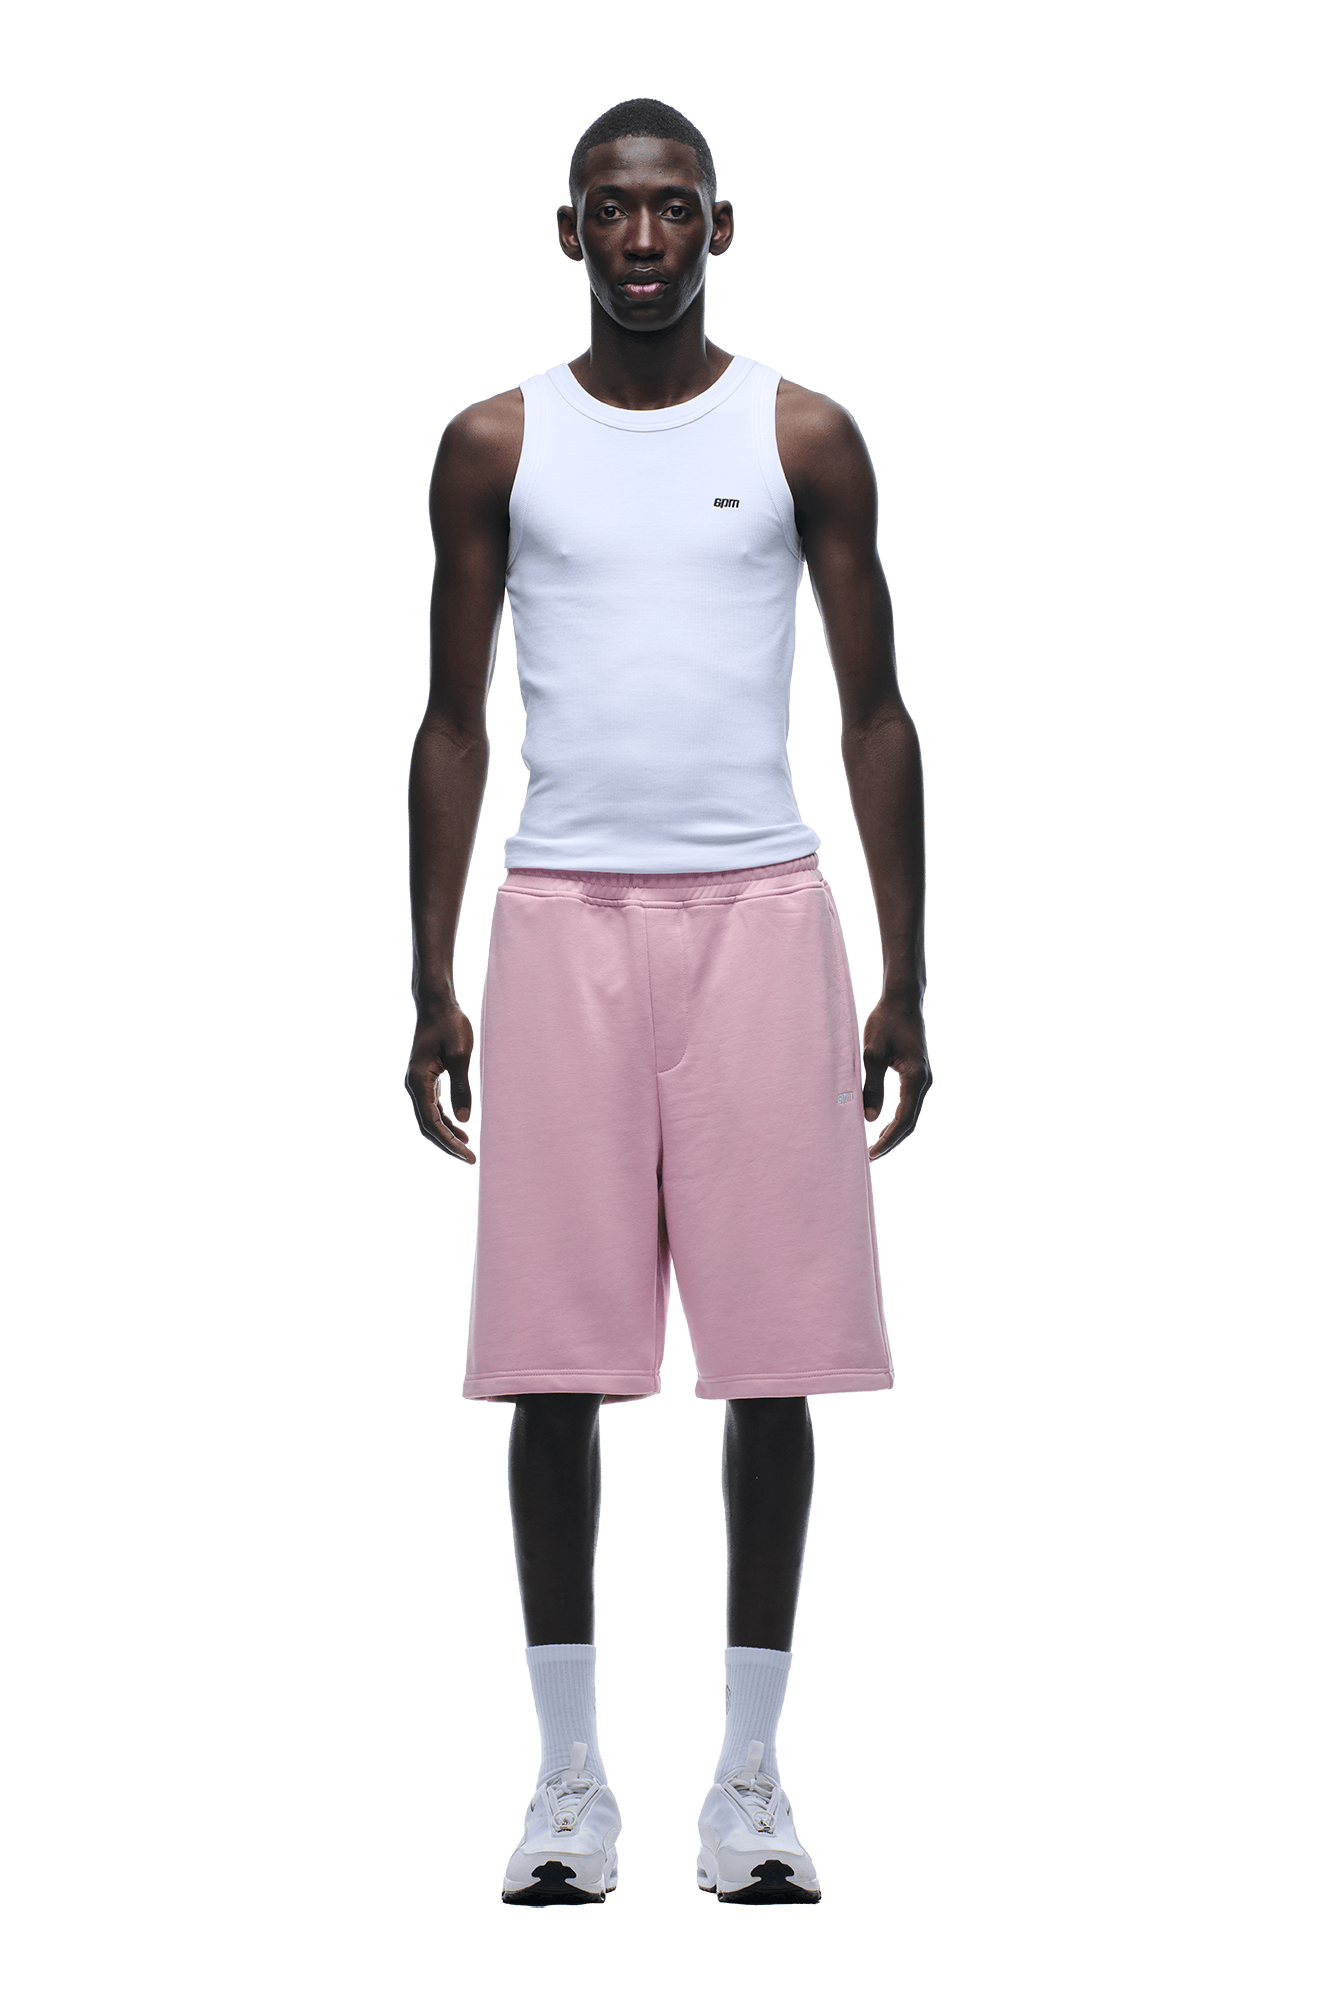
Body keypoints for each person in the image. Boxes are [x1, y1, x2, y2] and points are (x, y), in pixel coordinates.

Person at [404, 98, 931, 1907]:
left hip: (760, 915)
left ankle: (750, 1789)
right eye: (614, 211)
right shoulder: (497, 442)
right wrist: (429, 974)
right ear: (571, 232)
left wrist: (905, 971)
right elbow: (453, 722)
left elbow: (874, 711)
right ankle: (568, 1790)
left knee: (771, 1365)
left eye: (676, 210)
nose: (645, 239)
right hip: (559, 918)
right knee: (554, 1365)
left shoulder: (802, 434)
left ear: (720, 226)